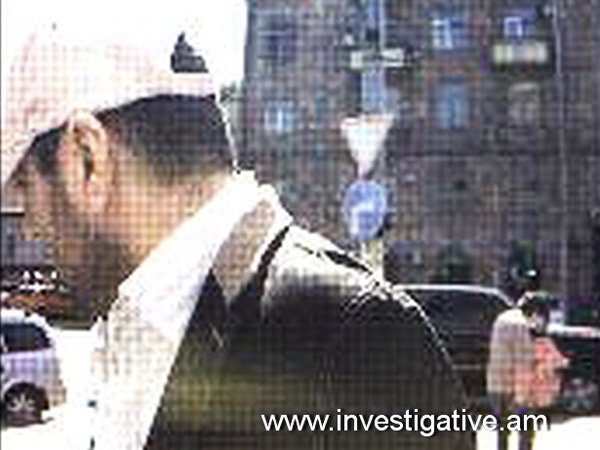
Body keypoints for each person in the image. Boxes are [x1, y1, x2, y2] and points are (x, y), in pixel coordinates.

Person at [2, 25, 472, 450]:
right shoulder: (135, 319)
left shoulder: (361, 336)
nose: (28, 225)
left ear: (87, 158)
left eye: (25, 189)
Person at [487, 289, 555, 450]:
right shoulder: (526, 323)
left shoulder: (502, 318)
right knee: (525, 431)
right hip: (519, 386)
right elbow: (526, 359)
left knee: (502, 432)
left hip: (495, 383)